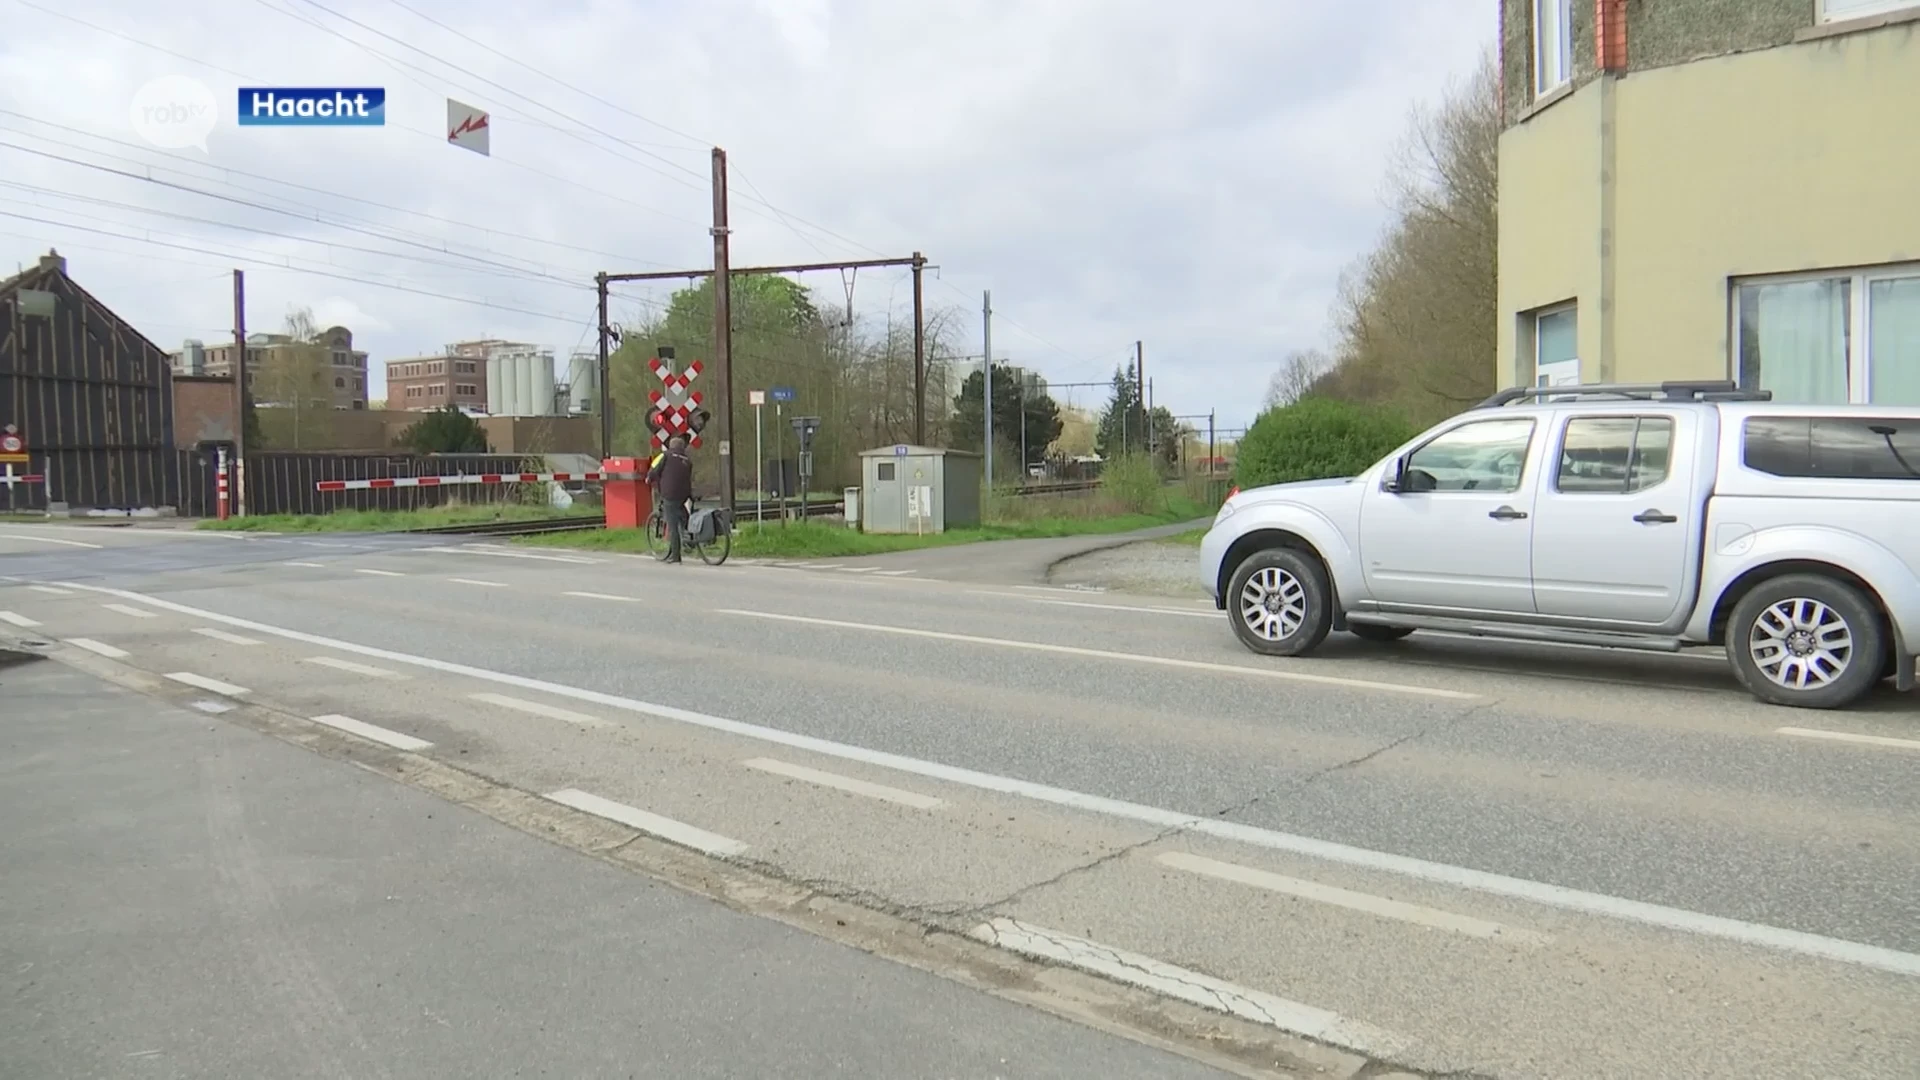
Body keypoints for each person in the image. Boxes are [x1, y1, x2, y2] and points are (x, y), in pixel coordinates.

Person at [647, 435, 694, 563]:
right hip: (684, 494)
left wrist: (649, 478)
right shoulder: (687, 459)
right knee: (683, 517)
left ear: (670, 446)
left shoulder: (665, 455)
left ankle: (675, 556)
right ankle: (691, 539)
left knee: (672, 525)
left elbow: (653, 468)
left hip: (670, 493)